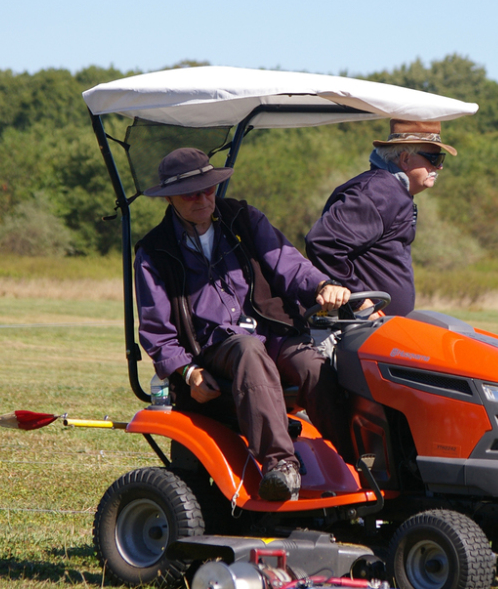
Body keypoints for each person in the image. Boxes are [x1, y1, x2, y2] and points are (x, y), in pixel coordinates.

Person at [134, 147, 353, 502]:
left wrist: (322, 286)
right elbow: (157, 331)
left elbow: (288, 263)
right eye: (192, 192)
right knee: (248, 349)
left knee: (315, 364)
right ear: (170, 198)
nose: (204, 198)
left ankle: (355, 463)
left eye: (208, 189)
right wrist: (188, 373)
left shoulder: (243, 219)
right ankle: (281, 467)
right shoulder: (153, 251)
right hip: (214, 349)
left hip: (273, 331)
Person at [305, 119, 454, 317]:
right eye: (434, 159)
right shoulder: (378, 192)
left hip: (378, 329)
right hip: (359, 329)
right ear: (405, 159)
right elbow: (324, 243)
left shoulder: (391, 190)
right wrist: (359, 300)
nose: (440, 167)